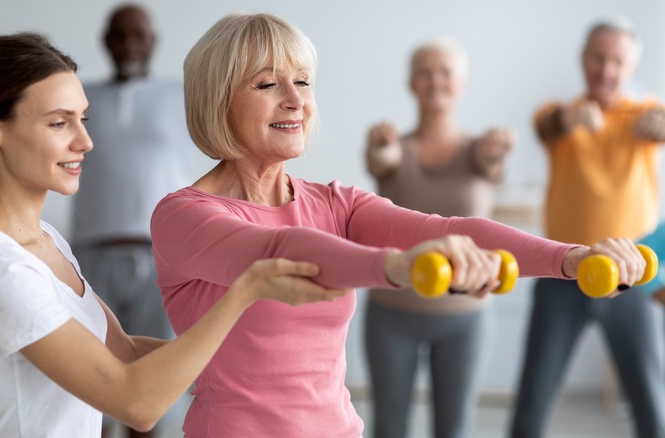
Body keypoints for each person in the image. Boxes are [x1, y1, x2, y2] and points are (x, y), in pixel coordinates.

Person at [150, 13, 648, 438]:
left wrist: (571, 257)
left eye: (302, 81)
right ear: (218, 100)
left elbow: (447, 227)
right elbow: (283, 250)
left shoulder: (335, 201)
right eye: (267, 84)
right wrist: (400, 267)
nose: (295, 100)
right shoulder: (184, 216)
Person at [0, 32, 350, 437]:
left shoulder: (45, 241)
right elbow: (137, 404)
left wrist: (272, 374)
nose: (84, 142)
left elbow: (125, 351)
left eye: (83, 120)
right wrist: (245, 291)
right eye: (59, 123)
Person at [508, 19, 665, 438]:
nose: (607, 70)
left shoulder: (649, 116)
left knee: (653, 410)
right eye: (599, 58)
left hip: (635, 276)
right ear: (583, 60)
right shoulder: (558, 117)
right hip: (561, 274)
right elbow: (547, 125)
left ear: (631, 67)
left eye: (617, 61)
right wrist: (568, 118)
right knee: (531, 406)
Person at [363, 38, 514, 438]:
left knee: (455, 429)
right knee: (388, 428)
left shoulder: (481, 150)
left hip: (465, 320)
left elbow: (493, 164)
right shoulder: (393, 147)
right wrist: (380, 147)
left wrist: (498, 151)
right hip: (391, 315)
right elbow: (382, 161)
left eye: (445, 73)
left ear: (462, 83)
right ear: (411, 83)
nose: (436, 82)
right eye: (425, 73)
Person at [69, 5, 194, 436]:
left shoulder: (183, 96)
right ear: (106, 41)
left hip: (159, 256)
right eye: (119, 36)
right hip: (90, 255)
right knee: (94, 380)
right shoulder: (79, 99)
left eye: (138, 34)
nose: (128, 45)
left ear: (153, 40)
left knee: (152, 379)